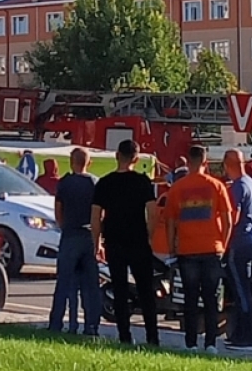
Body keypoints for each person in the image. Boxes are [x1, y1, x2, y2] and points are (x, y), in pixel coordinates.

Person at [164, 144, 233, 354]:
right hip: (212, 249)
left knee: (190, 299)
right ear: (205, 161)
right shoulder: (217, 186)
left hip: (187, 250)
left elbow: (170, 222)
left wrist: (171, 248)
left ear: (188, 160)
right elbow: (228, 220)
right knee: (211, 299)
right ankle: (211, 343)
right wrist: (223, 245)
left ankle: (191, 342)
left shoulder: (177, 188)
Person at [91, 139, 159, 347]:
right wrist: (150, 234)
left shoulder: (104, 182)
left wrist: (97, 243)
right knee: (146, 289)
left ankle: (124, 336)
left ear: (116, 156)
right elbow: (153, 212)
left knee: (119, 289)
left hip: (114, 240)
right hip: (138, 239)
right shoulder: (142, 182)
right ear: (136, 159)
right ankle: (152, 337)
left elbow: (95, 217)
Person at [48, 147, 101, 337]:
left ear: (72, 161)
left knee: (64, 282)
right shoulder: (95, 183)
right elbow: (98, 215)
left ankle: (56, 323)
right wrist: (98, 241)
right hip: (88, 235)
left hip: (70, 234)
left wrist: (64, 226)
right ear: (89, 162)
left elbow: (58, 210)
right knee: (90, 286)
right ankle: (91, 326)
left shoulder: (64, 183)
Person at [222, 148, 252, 352]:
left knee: (240, 291)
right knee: (244, 289)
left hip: (239, 243)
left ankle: (246, 337)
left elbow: (233, 217)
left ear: (228, 165)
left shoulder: (237, 187)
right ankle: (239, 334)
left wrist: (224, 242)